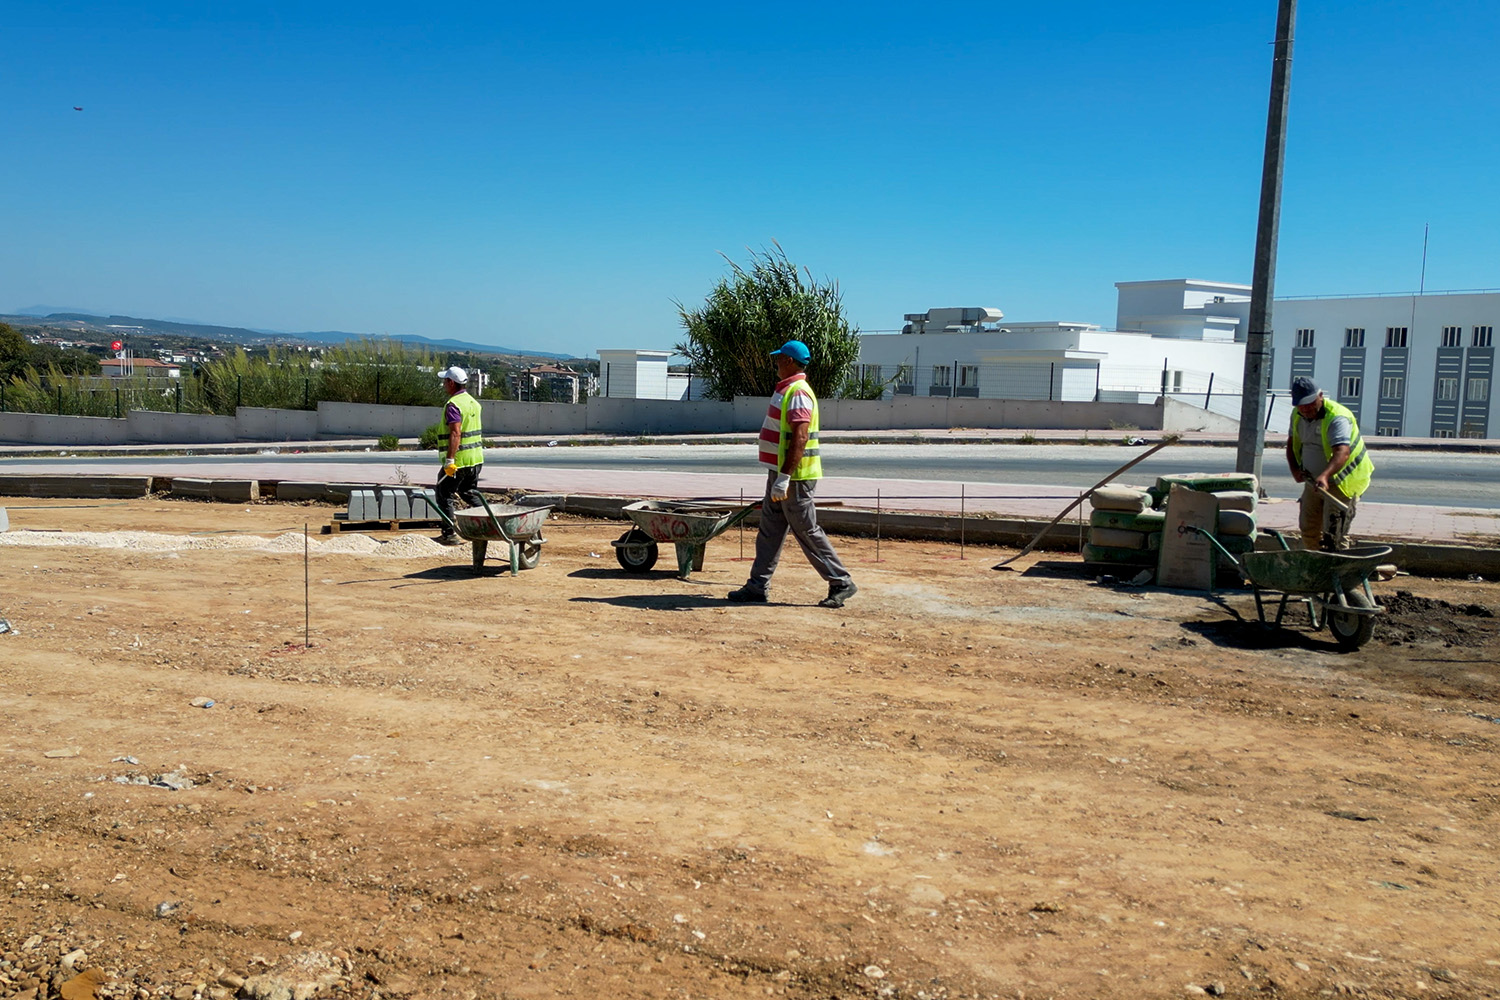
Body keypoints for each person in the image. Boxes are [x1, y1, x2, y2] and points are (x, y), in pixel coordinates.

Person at [727, 340, 858, 608]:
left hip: (794, 479)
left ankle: (841, 581)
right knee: (769, 531)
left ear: (788, 361)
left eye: (778, 359)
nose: (775, 363)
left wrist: (785, 477)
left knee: (807, 531)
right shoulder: (788, 390)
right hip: (779, 475)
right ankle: (756, 586)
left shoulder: (798, 392)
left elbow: (800, 436)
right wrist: (778, 476)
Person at [1285, 375, 1374, 551]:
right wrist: (1295, 470)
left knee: (1334, 534)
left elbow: (1342, 452)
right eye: (1301, 405)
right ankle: (1316, 570)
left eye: (1310, 404)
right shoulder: (1297, 414)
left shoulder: (1337, 417)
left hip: (1341, 483)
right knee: (1308, 529)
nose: (1306, 409)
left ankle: (1338, 575)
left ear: (1320, 396)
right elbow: (1291, 444)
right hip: (1313, 482)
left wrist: (1325, 475)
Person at [434, 365, 485, 546]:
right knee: (468, 492)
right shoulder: (473, 403)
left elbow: (456, 433)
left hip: (459, 461)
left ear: (451, 382)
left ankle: (449, 534)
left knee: (443, 492)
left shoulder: (453, 405)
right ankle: (491, 521)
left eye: (444, 381)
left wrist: (450, 460)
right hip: (476, 459)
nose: (443, 385)